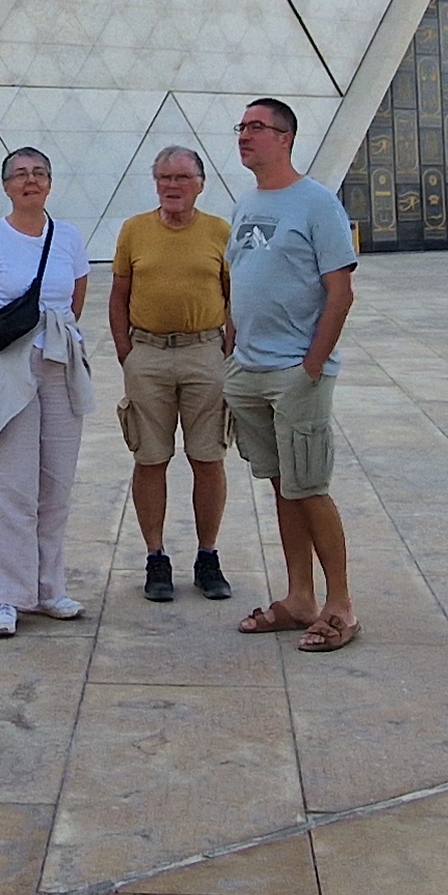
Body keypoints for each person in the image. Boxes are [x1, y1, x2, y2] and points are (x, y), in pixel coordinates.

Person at [226, 98, 361, 651]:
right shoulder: (246, 203)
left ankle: (341, 604)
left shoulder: (317, 204)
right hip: (249, 370)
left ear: (285, 138)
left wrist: (311, 365)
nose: (245, 136)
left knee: (310, 487)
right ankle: (299, 596)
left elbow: (341, 291)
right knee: (284, 487)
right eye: (242, 127)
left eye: (257, 127)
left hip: (295, 373)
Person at [0, 146, 95, 639]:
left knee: (56, 481)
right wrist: (5, 348)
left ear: (50, 184)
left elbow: (75, 297)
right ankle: (7, 597)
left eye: (38, 173)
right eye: (20, 175)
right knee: (11, 485)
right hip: (13, 364)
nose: (30, 181)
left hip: (60, 359)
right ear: (6, 186)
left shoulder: (69, 237)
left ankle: (48, 586)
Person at [109, 145, 233, 602]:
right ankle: (156, 558)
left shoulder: (220, 230)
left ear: (201, 182)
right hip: (149, 356)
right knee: (150, 458)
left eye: (182, 178)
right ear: (155, 183)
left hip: (205, 353)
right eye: (164, 178)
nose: (173, 186)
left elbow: (232, 293)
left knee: (208, 457)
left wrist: (226, 350)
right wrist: (128, 354)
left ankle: (207, 556)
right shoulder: (134, 230)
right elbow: (119, 294)